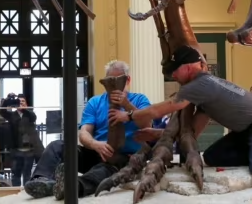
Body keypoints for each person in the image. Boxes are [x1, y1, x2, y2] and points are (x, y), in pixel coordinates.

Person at [115, 46, 252, 204]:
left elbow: (161, 109)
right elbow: (193, 131)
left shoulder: (198, 85)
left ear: (186, 68)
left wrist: (129, 115)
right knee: (211, 156)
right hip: (245, 133)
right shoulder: (203, 93)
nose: (173, 76)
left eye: (174, 71)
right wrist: (156, 134)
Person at [23, 60, 163, 200]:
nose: (114, 85)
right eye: (110, 80)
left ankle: (71, 186)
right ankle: (42, 180)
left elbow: (147, 124)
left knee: (103, 171)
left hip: (124, 158)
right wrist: (96, 145)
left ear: (128, 80)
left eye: (118, 80)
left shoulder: (139, 100)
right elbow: (84, 132)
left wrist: (127, 106)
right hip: (97, 151)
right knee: (57, 146)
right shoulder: (94, 102)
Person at [9, 94, 44, 186]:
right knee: (16, 173)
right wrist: (8, 100)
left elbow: (33, 117)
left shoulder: (29, 114)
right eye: (19, 102)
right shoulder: (12, 115)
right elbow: (2, 112)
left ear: (26, 104)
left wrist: (25, 109)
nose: (21, 103)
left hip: (29, 150)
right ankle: (15, 194)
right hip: (17, 150)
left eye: (23, 101)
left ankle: (26, 192)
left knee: (27, 174)